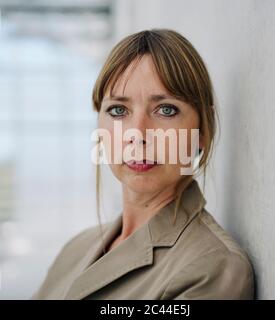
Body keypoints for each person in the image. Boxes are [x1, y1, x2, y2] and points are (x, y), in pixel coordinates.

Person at [32, 29, 254, 300]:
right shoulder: (76, 249)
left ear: (202, 133)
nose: (137, 133)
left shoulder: (213, 268)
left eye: (166, 110)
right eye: (118, 110)